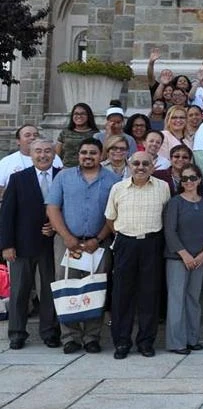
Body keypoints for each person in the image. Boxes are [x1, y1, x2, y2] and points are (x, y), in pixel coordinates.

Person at [45, 138, 119, 354]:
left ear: (101, 155)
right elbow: (53, 208)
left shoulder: (112, 180)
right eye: (84, 152)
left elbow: (113, 213)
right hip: (67, 241)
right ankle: (70, 337)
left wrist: (98, 238)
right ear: (78, 155)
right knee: (66, 285)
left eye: (93, 153)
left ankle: (92, 337)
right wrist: (67, 236)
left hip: (98, 242)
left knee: (95, 287)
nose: (88, 156)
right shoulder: (64, 177)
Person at [105, 150, 171, 359]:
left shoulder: (163, 187)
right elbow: (110, 218)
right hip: (126, 244)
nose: (140, 167)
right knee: (122, 295)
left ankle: (146, 342)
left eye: (145, 164)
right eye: (136, 164)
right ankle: (122, 342)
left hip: (152, 244)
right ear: (129, 165)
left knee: (149, 295)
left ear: (152, 166)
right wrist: (125, 237)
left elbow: (167, 216)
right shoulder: (118, 188)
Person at [1, 138, 60, 350]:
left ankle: (50, 331)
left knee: (49, 289)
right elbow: (6, 214)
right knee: (19, 291)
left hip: (52, 243)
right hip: (21, 243)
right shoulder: (18, 179)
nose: (43, 155)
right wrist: (6, 245)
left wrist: (56, 227)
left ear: (53, 154)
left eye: (47, 151)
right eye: (38, 151)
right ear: (30, 154)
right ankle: (17, 333)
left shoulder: (62, 175)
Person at [163, 163, 203, 355]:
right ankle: (176, 342)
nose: (189, 182)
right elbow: (170, 231)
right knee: (176, 299)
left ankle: (192, 338)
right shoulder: (175, 202)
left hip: (199, 258)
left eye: (192, 178)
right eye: (184, 178)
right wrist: (184, 254)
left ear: (199, 180)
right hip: (178, 258)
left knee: (193, 299)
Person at [0, 124, 62, 200]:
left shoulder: (54, 158)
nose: (32, 137)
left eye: (35, 135)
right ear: (18, 141)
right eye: (27, 135)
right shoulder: (6, 162)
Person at [57, 103, 100, 167]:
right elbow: (57, 155)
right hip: (67, 169)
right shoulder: (65, 133)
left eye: (83, 114)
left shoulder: (95, 134)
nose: (79, 116)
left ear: (88, 116)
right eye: (76, 114)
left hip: (88, 169)